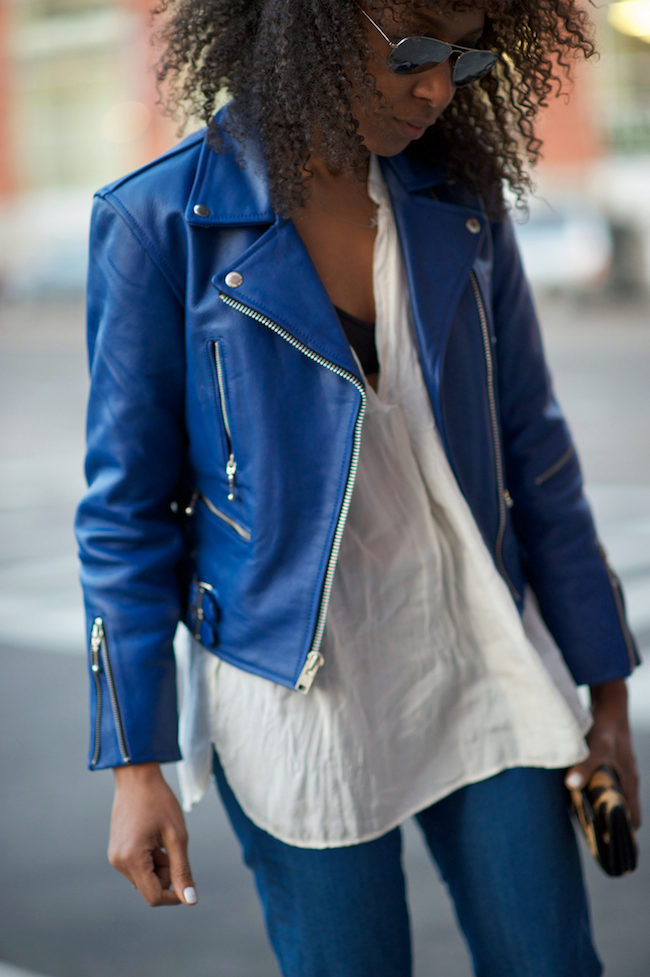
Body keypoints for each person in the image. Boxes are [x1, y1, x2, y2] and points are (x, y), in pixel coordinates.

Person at [75, 2, 642, 975]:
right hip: (298, 698)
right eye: (414, 48)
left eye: (465, 57)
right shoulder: (160, 221)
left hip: (478, 655)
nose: (438, 88)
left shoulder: (457, 196)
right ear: (314, 21)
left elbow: (534, 450)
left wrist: (606, 692)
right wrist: (136, 762)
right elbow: (125, 515)